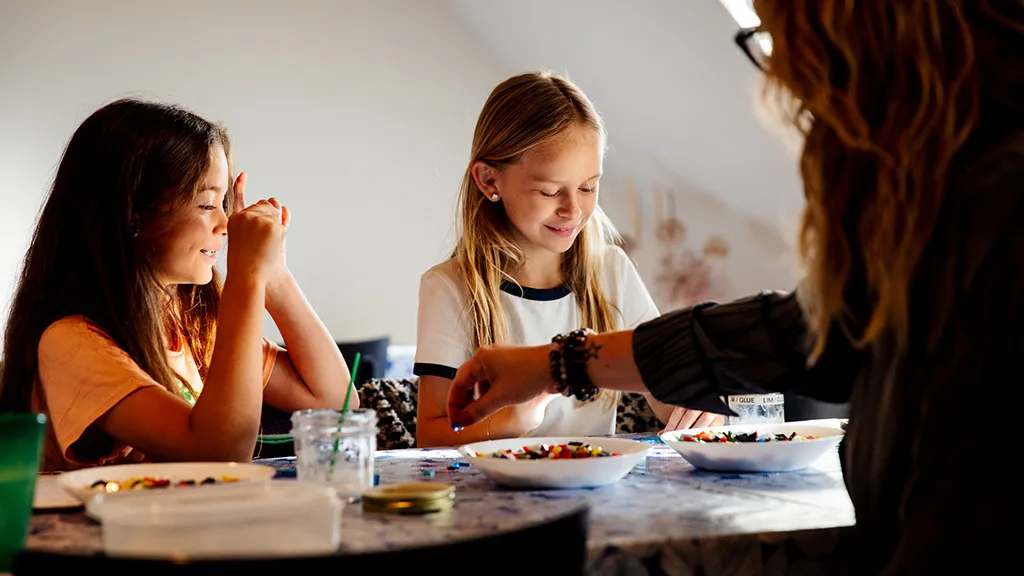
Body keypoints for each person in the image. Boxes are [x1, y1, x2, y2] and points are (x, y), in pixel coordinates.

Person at [445, 1, 1023, 573]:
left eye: (776, 41)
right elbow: (809, 328)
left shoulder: (997, 201)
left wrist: (563, 363)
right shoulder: (941, 187)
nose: (780, 76)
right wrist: (561, 363)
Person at [0, 99, 355, 471]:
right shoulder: (70, 342)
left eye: (225, 203)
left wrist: (275, 275)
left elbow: (336, 403)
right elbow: (222, 455)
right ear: (133, 213)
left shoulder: (192, 321)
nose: (227, 223)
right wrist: (246, 276)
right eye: (206, 205)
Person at [414, 71, 722, 447]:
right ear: (489, 181)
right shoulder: (450, 286)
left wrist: (696, 402)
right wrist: (519, 418)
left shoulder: (613, 272)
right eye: (548, 192)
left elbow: (667, 394)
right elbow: (430, 435)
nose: (574, 210)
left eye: (588, 187)